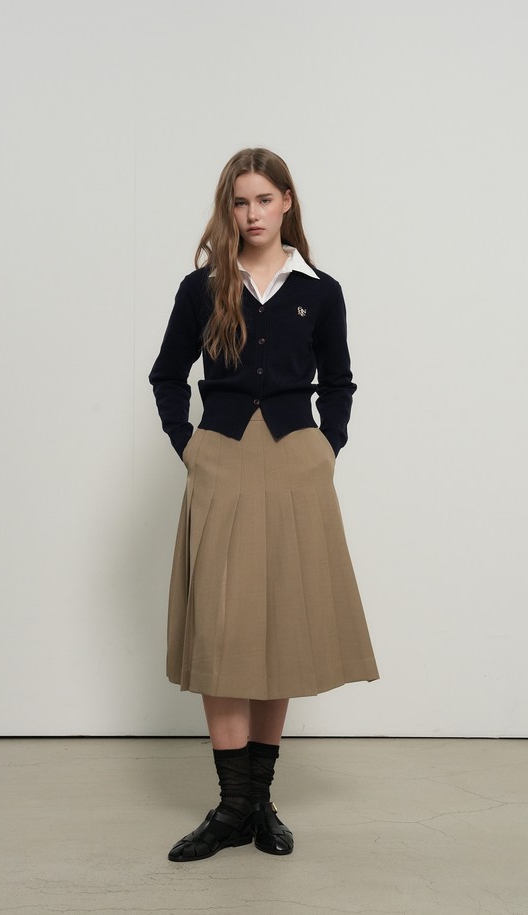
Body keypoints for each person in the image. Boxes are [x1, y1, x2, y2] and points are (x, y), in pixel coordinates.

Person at [149, 147, 379, 863]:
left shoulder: (320, 291)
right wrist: (190, 446)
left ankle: (257, 802)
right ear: (230, 208)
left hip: (294, 463)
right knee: (224, 627)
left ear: (287, 202)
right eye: (240, 201)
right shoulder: (202, 288)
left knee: (279, 623)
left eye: (263, 199)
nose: (252, 213)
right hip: (221, 457)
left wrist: (327, 446)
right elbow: (166, 375)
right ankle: (232, 807)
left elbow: (339, 379)